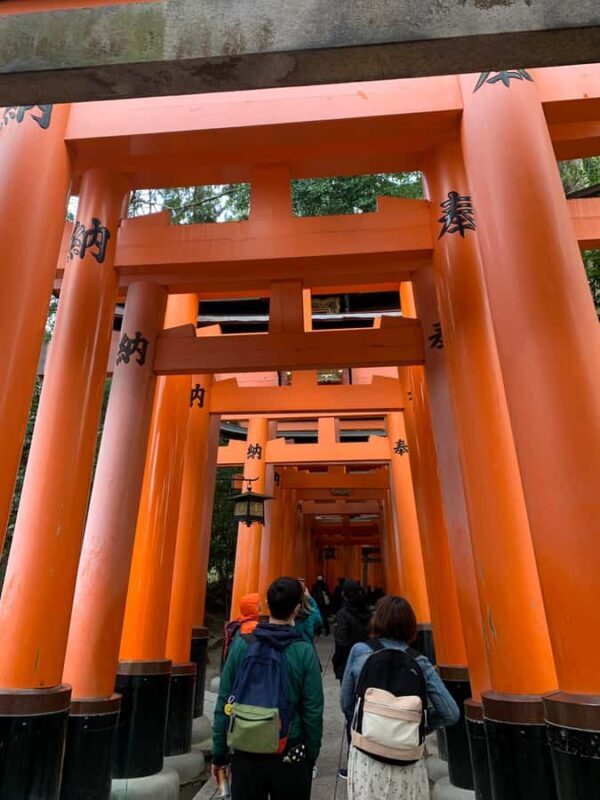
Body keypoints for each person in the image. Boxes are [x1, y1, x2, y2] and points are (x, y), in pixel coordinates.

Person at [212, 577, 324, 800]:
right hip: (289, 749)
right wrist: (310, 755)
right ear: (297, 608)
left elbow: (225, 699)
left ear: (266, 604)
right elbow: (313, 711)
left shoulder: (242, 643)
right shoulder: (304, 651)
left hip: (245, 747)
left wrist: (219, 754)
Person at [340, 595, 460, 796]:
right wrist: (416, 725)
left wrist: (369, 724)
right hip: (407, 758)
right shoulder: (420, 662)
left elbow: (346, 703)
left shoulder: (360, 652)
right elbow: (451, 713)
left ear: (377, 620)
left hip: (367, 755)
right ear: (410, 626)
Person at [332, 579, 371, 681]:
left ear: (344, 594)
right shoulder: (367, 612)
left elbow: (341, 641)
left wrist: (336, 662)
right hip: (367, 659)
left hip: (348, 661)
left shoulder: (343, 614)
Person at [221, 592, 262, 667]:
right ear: (255, 608)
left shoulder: (238, 624)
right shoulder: (255, 628)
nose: (261, 606)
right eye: (258, 604)